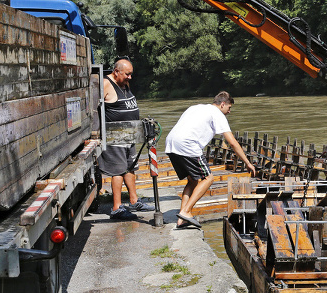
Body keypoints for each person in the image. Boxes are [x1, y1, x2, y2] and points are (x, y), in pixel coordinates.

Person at [165, 91, 256, 228]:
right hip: (188, 144)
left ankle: (182, 218)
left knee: (193, 180)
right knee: (208, 178)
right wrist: (247, 163)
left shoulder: (196, 107)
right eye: (229, 108)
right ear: (222, 104)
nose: (229, 111)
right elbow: (232, 142)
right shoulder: (217, 114)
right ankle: (186, 212)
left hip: (171, 143)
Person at [98, 58, 153, 220]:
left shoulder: (124, 83)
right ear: (116, 72)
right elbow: (93, 107)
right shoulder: (105, 84)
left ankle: (134, 201)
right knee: (118, 171)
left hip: (129, 134)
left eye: (131, 74)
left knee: (130, 167)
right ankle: (117, 208)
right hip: (114, 134)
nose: (130, 77)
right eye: (127, 74)